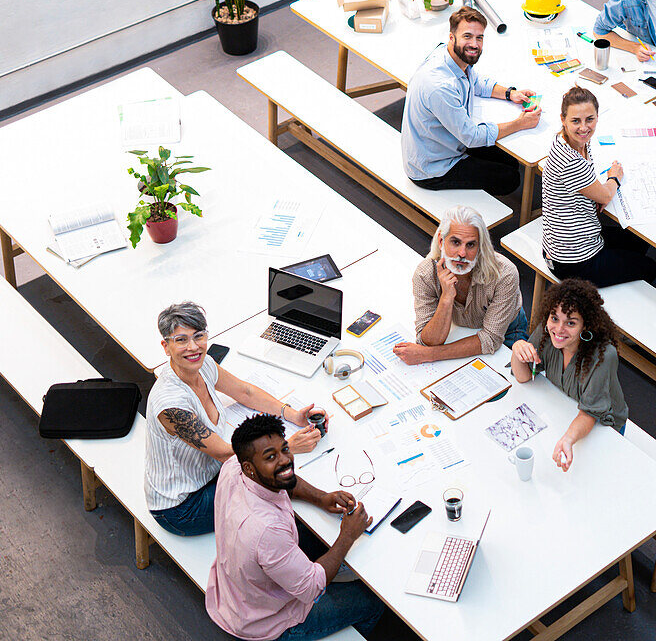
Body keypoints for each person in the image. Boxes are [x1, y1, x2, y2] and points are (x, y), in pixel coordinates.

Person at [145, 302, 325, 536]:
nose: (193, 347)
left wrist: (292, 414)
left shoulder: (202, 364)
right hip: (182, 506)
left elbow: (244, 392)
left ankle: (321, 504)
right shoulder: (170, 405)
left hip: (212, 472)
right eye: (181, 340)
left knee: (276, 476)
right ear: (166, 346)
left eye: (198, 336)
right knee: (272, 489)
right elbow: (223, 452)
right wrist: (289, 446)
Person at [206, 414, 384, 640]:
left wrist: (321, 498)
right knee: (372, 601)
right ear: (250, 467)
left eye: (285, 449)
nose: (285, 460)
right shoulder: (267, 530)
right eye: (271, 457)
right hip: (265, 622)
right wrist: (347, 535)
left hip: (235, 592)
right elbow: (312, 586)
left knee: (312, 540)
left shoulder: (234, 466)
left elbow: (285, 478)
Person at [401, 5, 542, 196]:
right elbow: (472, 136)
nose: (474, 44)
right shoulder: (440, 86)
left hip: (446, 142)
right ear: (452, 37)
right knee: (510, 178)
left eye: (479, 37)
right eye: (467, 36)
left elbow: (475, 81)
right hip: (432, 168)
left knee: (510, 161)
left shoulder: (450, 56)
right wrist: (520, 123)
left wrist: (510, 93)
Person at [541, 86, 656, 287]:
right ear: (563, 119)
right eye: (575, 121)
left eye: (590, 119)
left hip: (569, 240)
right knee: (650, 267)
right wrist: (614, 179)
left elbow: (592, 190)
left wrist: (597, 194)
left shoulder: (571, 140)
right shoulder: (570, 160)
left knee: (640, 239)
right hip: (573, 262)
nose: (584, 128)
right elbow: (604, 195)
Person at [510, 279, 627, 472]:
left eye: (571, 323)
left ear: (585, 326)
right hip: (568, 408)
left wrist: (568, 439)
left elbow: (590, 413)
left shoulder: (604, 356)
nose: (559, 329)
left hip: (603, 424)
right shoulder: (548, 332)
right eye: (554, 318)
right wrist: (517, 349)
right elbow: (522, 377)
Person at [393, 205, 528, 365]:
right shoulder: (425, 273)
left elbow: (490, 339)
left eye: (470, 245)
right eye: (455, 242)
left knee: (515, 379)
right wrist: (446, 298)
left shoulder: (504, 274)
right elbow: (427, 341)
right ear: (441, 242)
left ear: (480, 247)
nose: (462, 253)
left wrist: (428, 354)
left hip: (507, 329)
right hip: (461, 329)